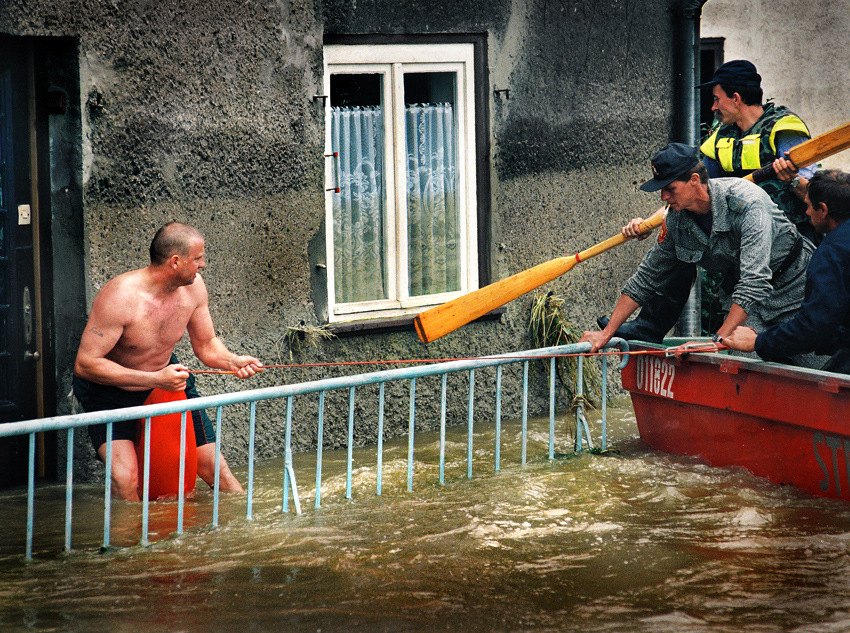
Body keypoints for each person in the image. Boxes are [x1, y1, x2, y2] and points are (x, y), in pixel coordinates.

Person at [599, 60, 816, 343]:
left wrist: (793, 180)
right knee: (681, 240)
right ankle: (649, 325)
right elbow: (693, 191)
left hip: (792, 242)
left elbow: (816, 197)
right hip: (741, 247)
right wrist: (652, 223)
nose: (712, 107)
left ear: (736, 99)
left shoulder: (784, 129)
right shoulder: (719, 139)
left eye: (716, 99)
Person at [73, 222, 264, 501]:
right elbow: (86, 364)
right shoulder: (121, 295)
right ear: (175, 262)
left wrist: (232, 361)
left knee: (216, 469)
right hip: (109, 391)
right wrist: (154, 378)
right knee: (125, 479)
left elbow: (206, 344)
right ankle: (132, 544)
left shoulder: (195, 288)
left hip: (166, 384)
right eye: (198, 258)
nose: (203, 265)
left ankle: (247, 530)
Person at [581, 143, 813, 362]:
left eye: (670, 189)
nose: (663, 197)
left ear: (694, 180)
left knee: (821, 372)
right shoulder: (676, 220)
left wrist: (714, 342)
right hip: (750, 307)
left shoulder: (747, 202)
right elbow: (646, 277)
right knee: (742, 369)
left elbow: (754, 281)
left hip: (797, 292)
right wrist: (607, 334)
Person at [723, 170, 850, 372]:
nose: (807, 213)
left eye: (808, 206)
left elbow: (813, 327)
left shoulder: (831, 254)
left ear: (823, 209)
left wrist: (757, 343)